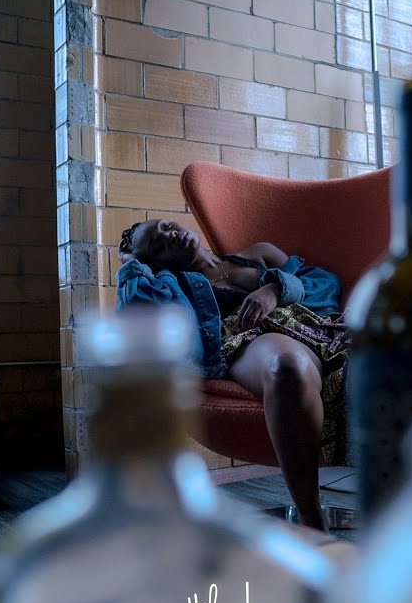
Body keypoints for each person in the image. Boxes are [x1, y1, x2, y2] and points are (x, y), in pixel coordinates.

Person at [115, 218, 350, 531]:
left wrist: (275, 290)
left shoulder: (260, 253)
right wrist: (131, 264)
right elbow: (140, 313)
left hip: (321, 330)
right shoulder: (172, 286)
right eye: (158, 244)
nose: (170, 235)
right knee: (287, 368)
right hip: (252, 341)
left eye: (166, 226)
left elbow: (326, 283)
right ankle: (312, 522)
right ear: (155, 262)